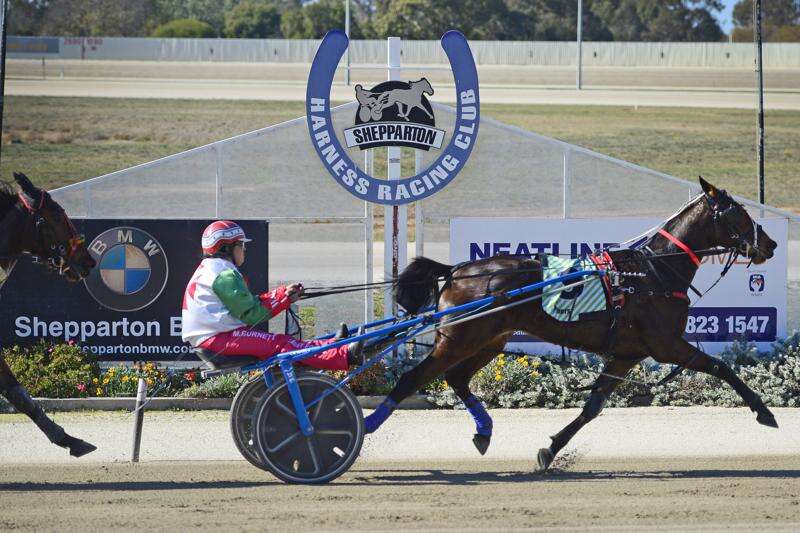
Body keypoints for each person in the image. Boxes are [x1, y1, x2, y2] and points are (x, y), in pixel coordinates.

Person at [182, 220, 361, 370]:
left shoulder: (211, 269)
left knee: (285, 344)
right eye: (241, 244)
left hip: (215, 338)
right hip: (218, 340)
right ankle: (345, 353)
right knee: (282, 345)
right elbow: (252, 314)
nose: (244, 249)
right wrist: (284, 298)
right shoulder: (223, 274)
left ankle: (336, 345)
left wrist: (284, 295)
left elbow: (250, 305)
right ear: (227, 248)